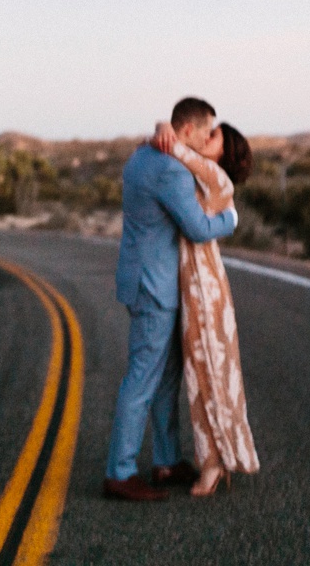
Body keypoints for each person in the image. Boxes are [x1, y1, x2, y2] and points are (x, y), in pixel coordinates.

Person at [103, 97, 238, 501]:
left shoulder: (143, 155)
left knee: (165, 378)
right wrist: (230, 219)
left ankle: (165, 461)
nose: (209, 137)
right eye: (208, 131)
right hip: (155, 286)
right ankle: (120, 471)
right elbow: (198, 228)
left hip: (144, 279)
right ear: (187, 132)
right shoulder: (170, 170)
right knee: (144, 377)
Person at [150, 117, 260, 496]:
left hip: (203, 285)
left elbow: (176, 148)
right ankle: (218, 454)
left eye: (212, 136)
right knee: (206, 371)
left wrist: (164, 127)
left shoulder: (217, 178)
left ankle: (212, 462)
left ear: (224, 153)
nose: (204, 137)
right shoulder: (204, 176)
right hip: (197, 281)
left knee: (207, 372)